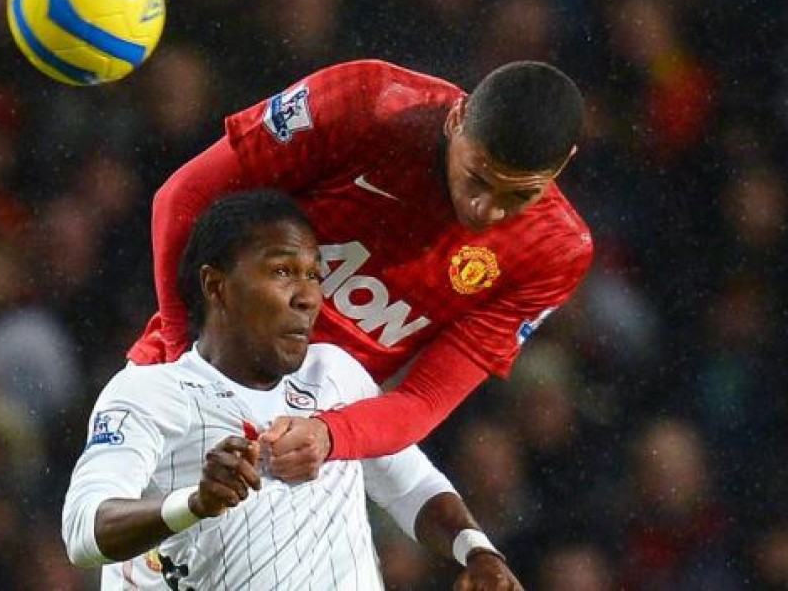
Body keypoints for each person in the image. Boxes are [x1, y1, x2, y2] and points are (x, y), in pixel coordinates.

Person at [128, 58, 593, 478]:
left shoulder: (553, 252)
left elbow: (424, 399)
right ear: (456, 119)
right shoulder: (369, 102)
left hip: (302, 453)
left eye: (520, 195)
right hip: (178, 383)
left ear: (562, 167)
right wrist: (183, 363)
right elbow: (185, 197)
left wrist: (328, 435)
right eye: (477, 177)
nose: (485, 209)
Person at [63, 190, 523, 590]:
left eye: (314, 274)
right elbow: (84, 533)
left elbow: (411, 486)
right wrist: (195, 504)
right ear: (215, 285)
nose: (307, 296)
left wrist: (477, 551)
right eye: (282, 271)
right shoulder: (151, 392)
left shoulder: (337, 374)